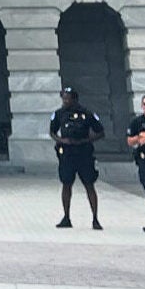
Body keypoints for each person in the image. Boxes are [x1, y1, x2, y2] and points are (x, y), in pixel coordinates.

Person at [50, 85, 105, 230]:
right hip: (67, 154)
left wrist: (86, 140)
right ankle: (66, 217)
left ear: (74, 99)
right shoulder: (59, 113)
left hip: (83, 153)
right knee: (66, 184)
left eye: (68, 98)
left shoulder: (86, 113)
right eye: (64, 98)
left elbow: (100, 131)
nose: (65, 101)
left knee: (89, 185)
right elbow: (52, 131)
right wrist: (61, 140)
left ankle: (95, 218)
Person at [125, 93, 145, 233]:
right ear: (142, 106)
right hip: (144, 159)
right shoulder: (136, 122)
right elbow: (129, 141)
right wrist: (139, 138)